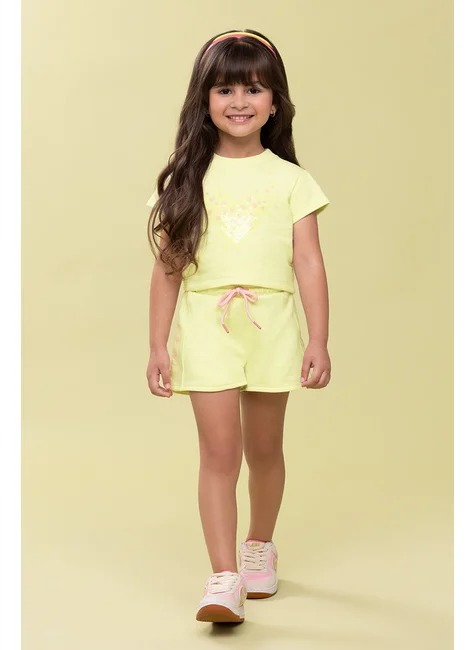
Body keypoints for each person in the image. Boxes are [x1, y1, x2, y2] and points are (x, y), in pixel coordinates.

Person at [145, 29, 332, 624]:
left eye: (254, 88)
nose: (240, 101)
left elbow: (309, 262)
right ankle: (224, 577)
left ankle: (259, 547)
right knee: (219, 454)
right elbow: (168, 269)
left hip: (272, 325)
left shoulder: (292, 180)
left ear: (275, 102)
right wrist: (157, 345)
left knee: (265, 450)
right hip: (206, 325)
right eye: (225, 89)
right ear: (204, 101)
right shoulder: (188, 179)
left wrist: (319, 339)